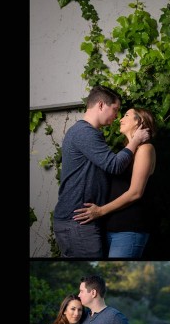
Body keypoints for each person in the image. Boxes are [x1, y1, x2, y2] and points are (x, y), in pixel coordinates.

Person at [54, 85, 150, 258]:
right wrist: (135, 141)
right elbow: (114, 165)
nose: (116, 116)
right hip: (79, 221)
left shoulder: (86, 133)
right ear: (100, 105)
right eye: (115, 109)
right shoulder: (85, 132)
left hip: (83, 221)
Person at [73, 108, 158, 258]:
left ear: (140, 121)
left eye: (126, 115)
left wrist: (100, 211)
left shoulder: (146, 149)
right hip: (110, 227)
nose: (120, 119)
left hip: (129, 229)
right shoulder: (126, 151)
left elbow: (136, 192)